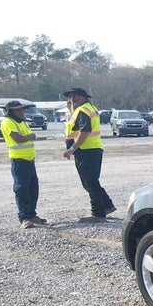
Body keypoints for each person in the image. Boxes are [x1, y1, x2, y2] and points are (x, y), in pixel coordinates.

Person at [61, 87, 116, 222]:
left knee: (90, 183)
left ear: (79, 97)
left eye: (72, 96)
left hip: (86, 150)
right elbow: (77, 125)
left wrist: (72, 148)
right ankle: (107, 206)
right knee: (91, 182)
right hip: (92, 149)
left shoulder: (83, 110)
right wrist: (71, 110)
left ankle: (98, 213)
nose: (70, 100)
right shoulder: (87, 108)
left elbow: (84, 131)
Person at [0, 100, 47, 229]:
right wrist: (31, 136)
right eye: (18, 110)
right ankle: (24, 217)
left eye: (22, 109)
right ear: (11, 112)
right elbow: (18, 138)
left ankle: (32, 214)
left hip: (29, 160)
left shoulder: (23, 122)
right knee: (21, 189)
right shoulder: (8, 122)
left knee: (33, 189)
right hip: (19, 161)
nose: (22, 112)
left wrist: (30, 136)